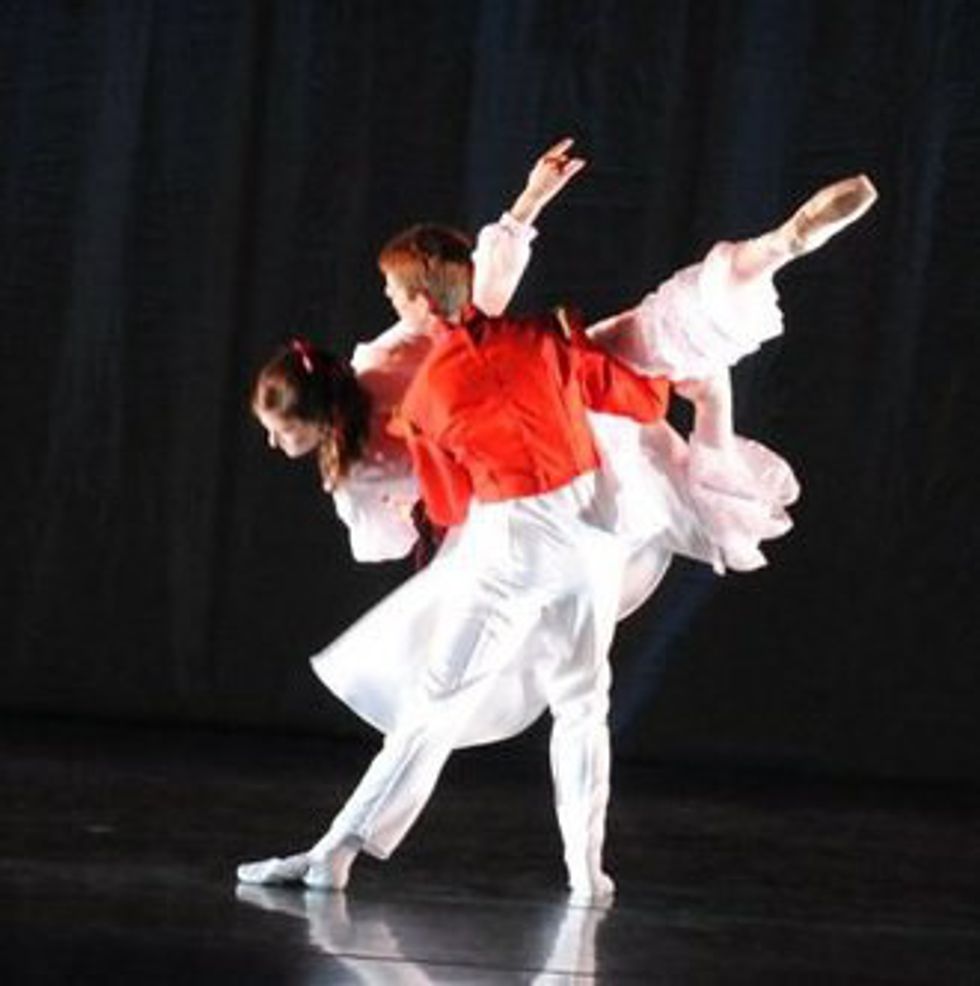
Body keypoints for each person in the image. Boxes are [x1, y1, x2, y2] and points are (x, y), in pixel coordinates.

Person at [241, 145, 878, 901]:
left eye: (395, 294)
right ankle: (586, 873)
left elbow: (449, 501)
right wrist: (677, 402)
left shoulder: (427, 396)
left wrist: (439, 493)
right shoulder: (541, 337)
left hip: (513, 545)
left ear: (419, 305)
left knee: (432, 710)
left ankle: (334, 854)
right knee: (582, 705)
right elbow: (635, 397)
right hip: (595, 534)